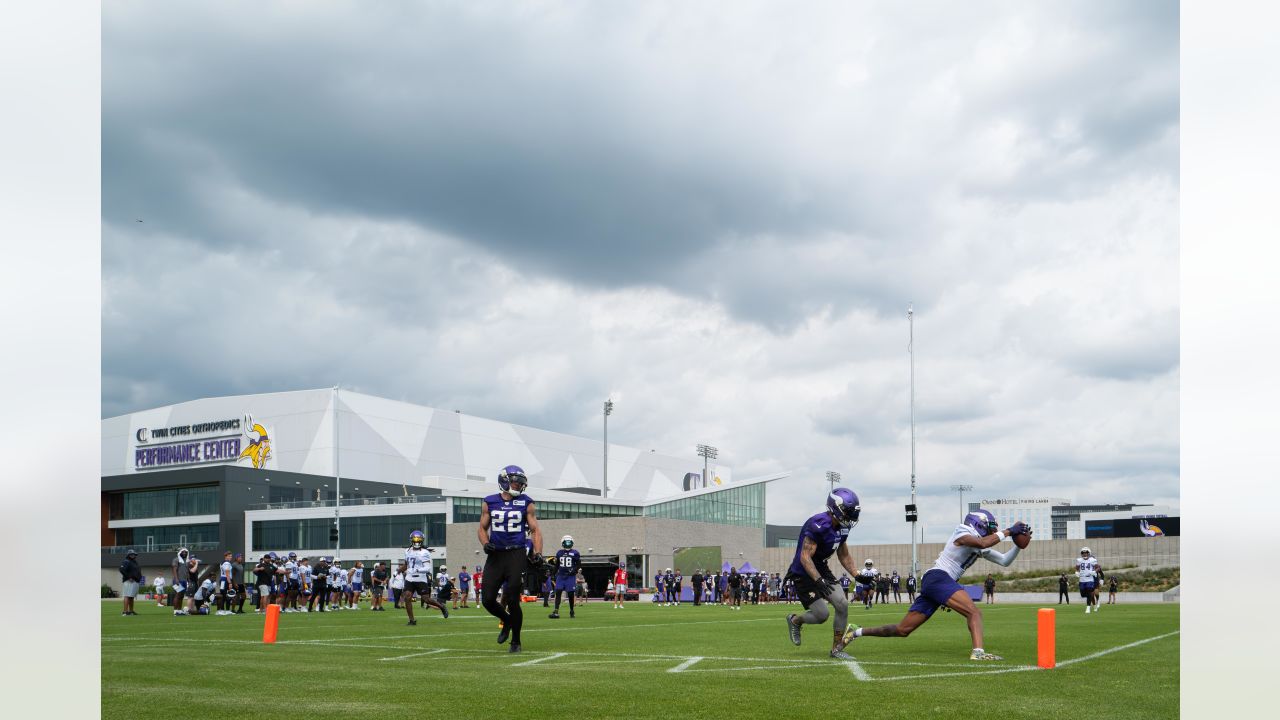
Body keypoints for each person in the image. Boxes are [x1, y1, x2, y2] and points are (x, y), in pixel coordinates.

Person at [845, 509, 1031, 661]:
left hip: (939, 582)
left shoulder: (979, 543)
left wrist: (1018, 546)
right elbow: (983, 543)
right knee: (974, 612)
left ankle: (856, 631)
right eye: (990, 527)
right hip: (938, 577)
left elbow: (1005, 561)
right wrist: (1008, 531)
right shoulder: (963, 531)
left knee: (903, 630)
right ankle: (978, 652)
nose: (992, 531)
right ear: (979, 523)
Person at [783, 487, 864, 659]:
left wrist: (856, 574)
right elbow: (805, 557)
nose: (851, 518)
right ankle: (795, 620)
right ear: (837, 508)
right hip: (803, 572)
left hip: (821, 568)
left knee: (842, 604)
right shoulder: (818, 524)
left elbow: (843, 553)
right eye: (848, 512)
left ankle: (836, 649)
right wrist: (818, 580)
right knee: (822, 615)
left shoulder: (843, 528)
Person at [478, 465, 542, 653]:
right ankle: (506, 620)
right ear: (505, 480)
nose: (518, 486)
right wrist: (485, 543)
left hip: (516, 554)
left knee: (513, 599)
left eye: (520, 483)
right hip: (496, 554)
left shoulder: (527, 503)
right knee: (488, 599)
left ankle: (516, 641)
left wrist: (537, 553)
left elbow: (535, 530)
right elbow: (482, 528)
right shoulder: (489, 502)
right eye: (515, 482)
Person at [403, 530, 449, 625]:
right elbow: (406, 564)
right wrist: (400, 570)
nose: (416, 541)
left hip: (420, 578)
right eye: (414, 539)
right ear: (411, 540)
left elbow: (427, 568)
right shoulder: (407, 551)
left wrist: (417, 570)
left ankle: (441, 606)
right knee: (407, 597)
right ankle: (411, 620)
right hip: (409, 578)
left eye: (418, 539)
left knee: (426, 599)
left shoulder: (425, 552)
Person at [549, 535, 581, 619]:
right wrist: (553, 574)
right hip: (561, 576)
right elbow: (557, 565)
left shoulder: (575, 553)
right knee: (558, 592)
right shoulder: (559, 552)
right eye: (566, 542)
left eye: (569, 541)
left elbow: (578, 565)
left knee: (570, 594)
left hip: (570, 577)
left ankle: (571, 610)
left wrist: (573, 571)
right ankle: (556, 611)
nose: (567, 543)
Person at [1077, 547, 1101, 615]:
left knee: (1089, 591)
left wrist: (1094, 571)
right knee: (1083, 594)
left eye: (1086, 553)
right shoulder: (1079, 560)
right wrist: (1076, 572)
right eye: (1083, 553)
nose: (1084, 554)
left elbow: (1098, 567)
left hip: (1090, 579)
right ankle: (1089, 600)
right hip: (1082, 579)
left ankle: (1088, 607)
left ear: (1089, 553)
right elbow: (1077, 567)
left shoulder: (1092, 560)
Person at [119, 549, 143, 616]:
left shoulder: (134, 562)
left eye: (134, 554)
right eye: (131, 554)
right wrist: (129, 577)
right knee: (127, 595)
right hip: (129, 581)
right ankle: (125, 611)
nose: (133, 555)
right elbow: (121, 569)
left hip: (135, 581)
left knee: (131, 596)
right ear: (128, 555)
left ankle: (131, 611)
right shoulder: (126, 561)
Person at [170, 547, 193, 616]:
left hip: (184, 581)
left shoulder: (187, 561)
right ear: (180, 553)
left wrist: (189, 581)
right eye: (183, 552)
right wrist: (176, 579)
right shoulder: (176, 560)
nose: (185, 553)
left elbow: (187, 572)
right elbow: (174, 570)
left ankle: (179, 611)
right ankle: (175, 611)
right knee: (177, 595)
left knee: (181, 596)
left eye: (186, 552)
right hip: (177, 580)